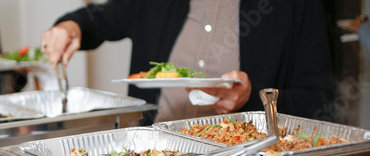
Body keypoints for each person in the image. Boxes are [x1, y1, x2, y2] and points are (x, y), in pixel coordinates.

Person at [41, 0, 336, 125]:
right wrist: (72, 26)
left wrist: (254, 98)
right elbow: (104, 17)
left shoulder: (296, 6)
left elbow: (318, 99)